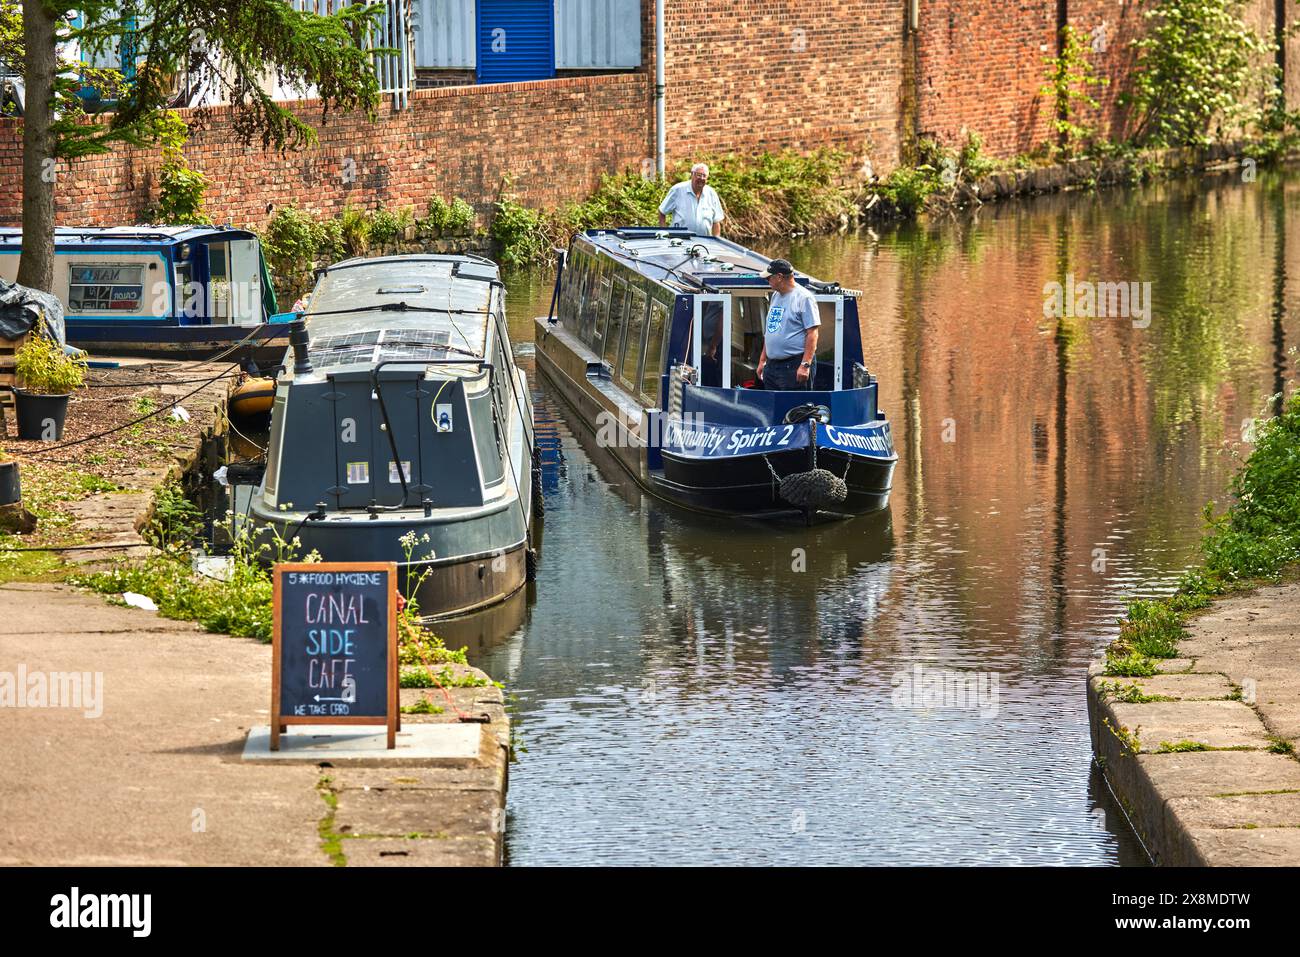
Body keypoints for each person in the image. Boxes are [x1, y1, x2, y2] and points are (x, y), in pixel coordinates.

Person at [756, 259, 819, 390]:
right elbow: (771, 331)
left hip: (794, 365)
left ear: (779, 277)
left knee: (794, 408)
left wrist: (805, 365)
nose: (767, 281)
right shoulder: (775, 296)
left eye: (769, 278)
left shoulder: (804, 298)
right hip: (772, 367)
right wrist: (763, 360)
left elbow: (812, 333)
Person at [658, 163, 725, 237]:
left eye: (704, 176)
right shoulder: (677, 190)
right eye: (699, 175)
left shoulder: (711, 193)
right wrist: (664, 234)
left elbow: (716, 221)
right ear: (692, 175)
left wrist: (715, 242)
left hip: (704, 242)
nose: (701, 178)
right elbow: (662, 211)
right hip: (680, 241)